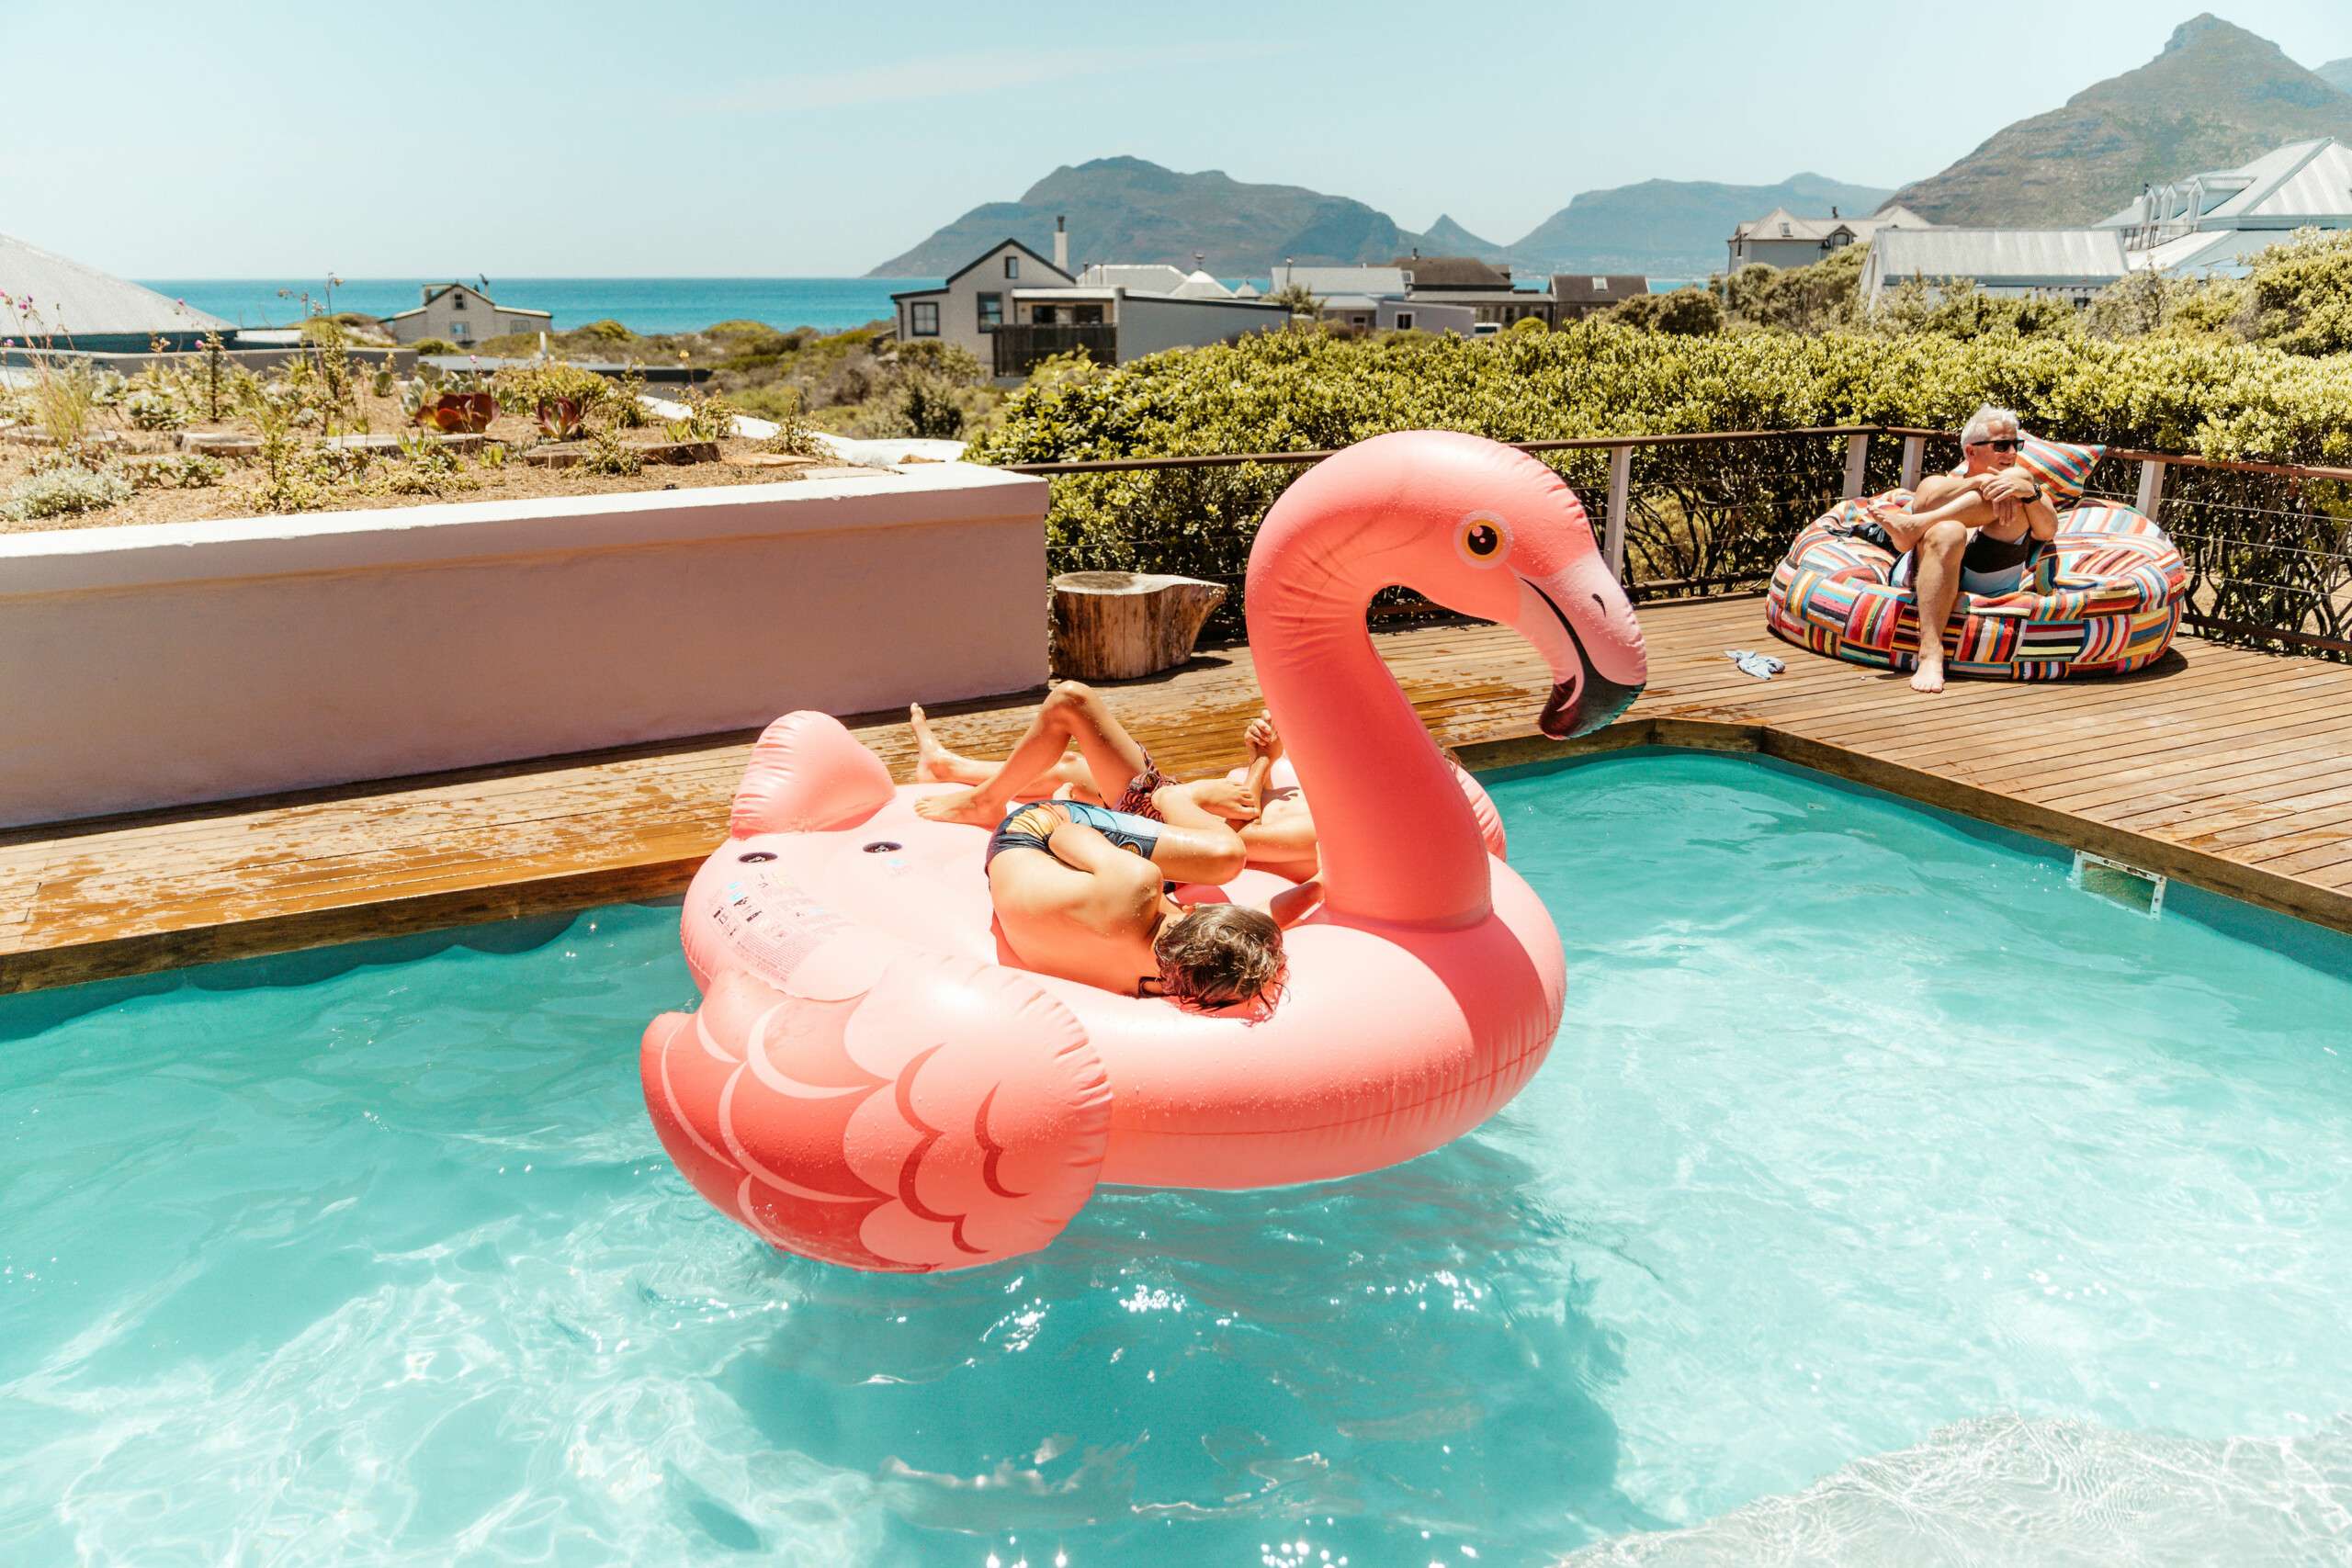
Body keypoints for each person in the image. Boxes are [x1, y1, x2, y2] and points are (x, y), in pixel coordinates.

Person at [911, 682, 1304, 1007]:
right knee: (1080, 771)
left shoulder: (1137, 881)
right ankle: (952, 768)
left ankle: (1173, 796)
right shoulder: (1152, 983)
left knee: (1226, 855)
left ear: (1195, 910)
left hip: (1034, 832)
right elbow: (1260, 926)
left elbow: (1066, 835)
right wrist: (1319, 885)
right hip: (1042, 901)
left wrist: (1171, 806)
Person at [910, 703, 1322, 881]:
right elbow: (1255, 802)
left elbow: (1233, 839)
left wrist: (1263, 761)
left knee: (1071, 703)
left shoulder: (1323, 832)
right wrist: (1260, 756)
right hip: (1170, 801)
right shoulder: (1318, 792)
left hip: (1162, 820)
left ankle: (984, 801)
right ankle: (947, 767)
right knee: (1073, 766)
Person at [1848, 404, 2059, 694]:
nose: (2011, 453)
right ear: (1971, 452)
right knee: (1949, 530)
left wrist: (2030, 492)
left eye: (2015, 444)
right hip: (1926, 570)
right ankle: (1930, 652)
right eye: (2001, 445)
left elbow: (2047, 530)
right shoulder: (1939, 483)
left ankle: (1913, 527)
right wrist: (1980, 482)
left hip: (1988, 577)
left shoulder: (2023, 485)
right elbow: (1925, 497)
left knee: (2017, 501)